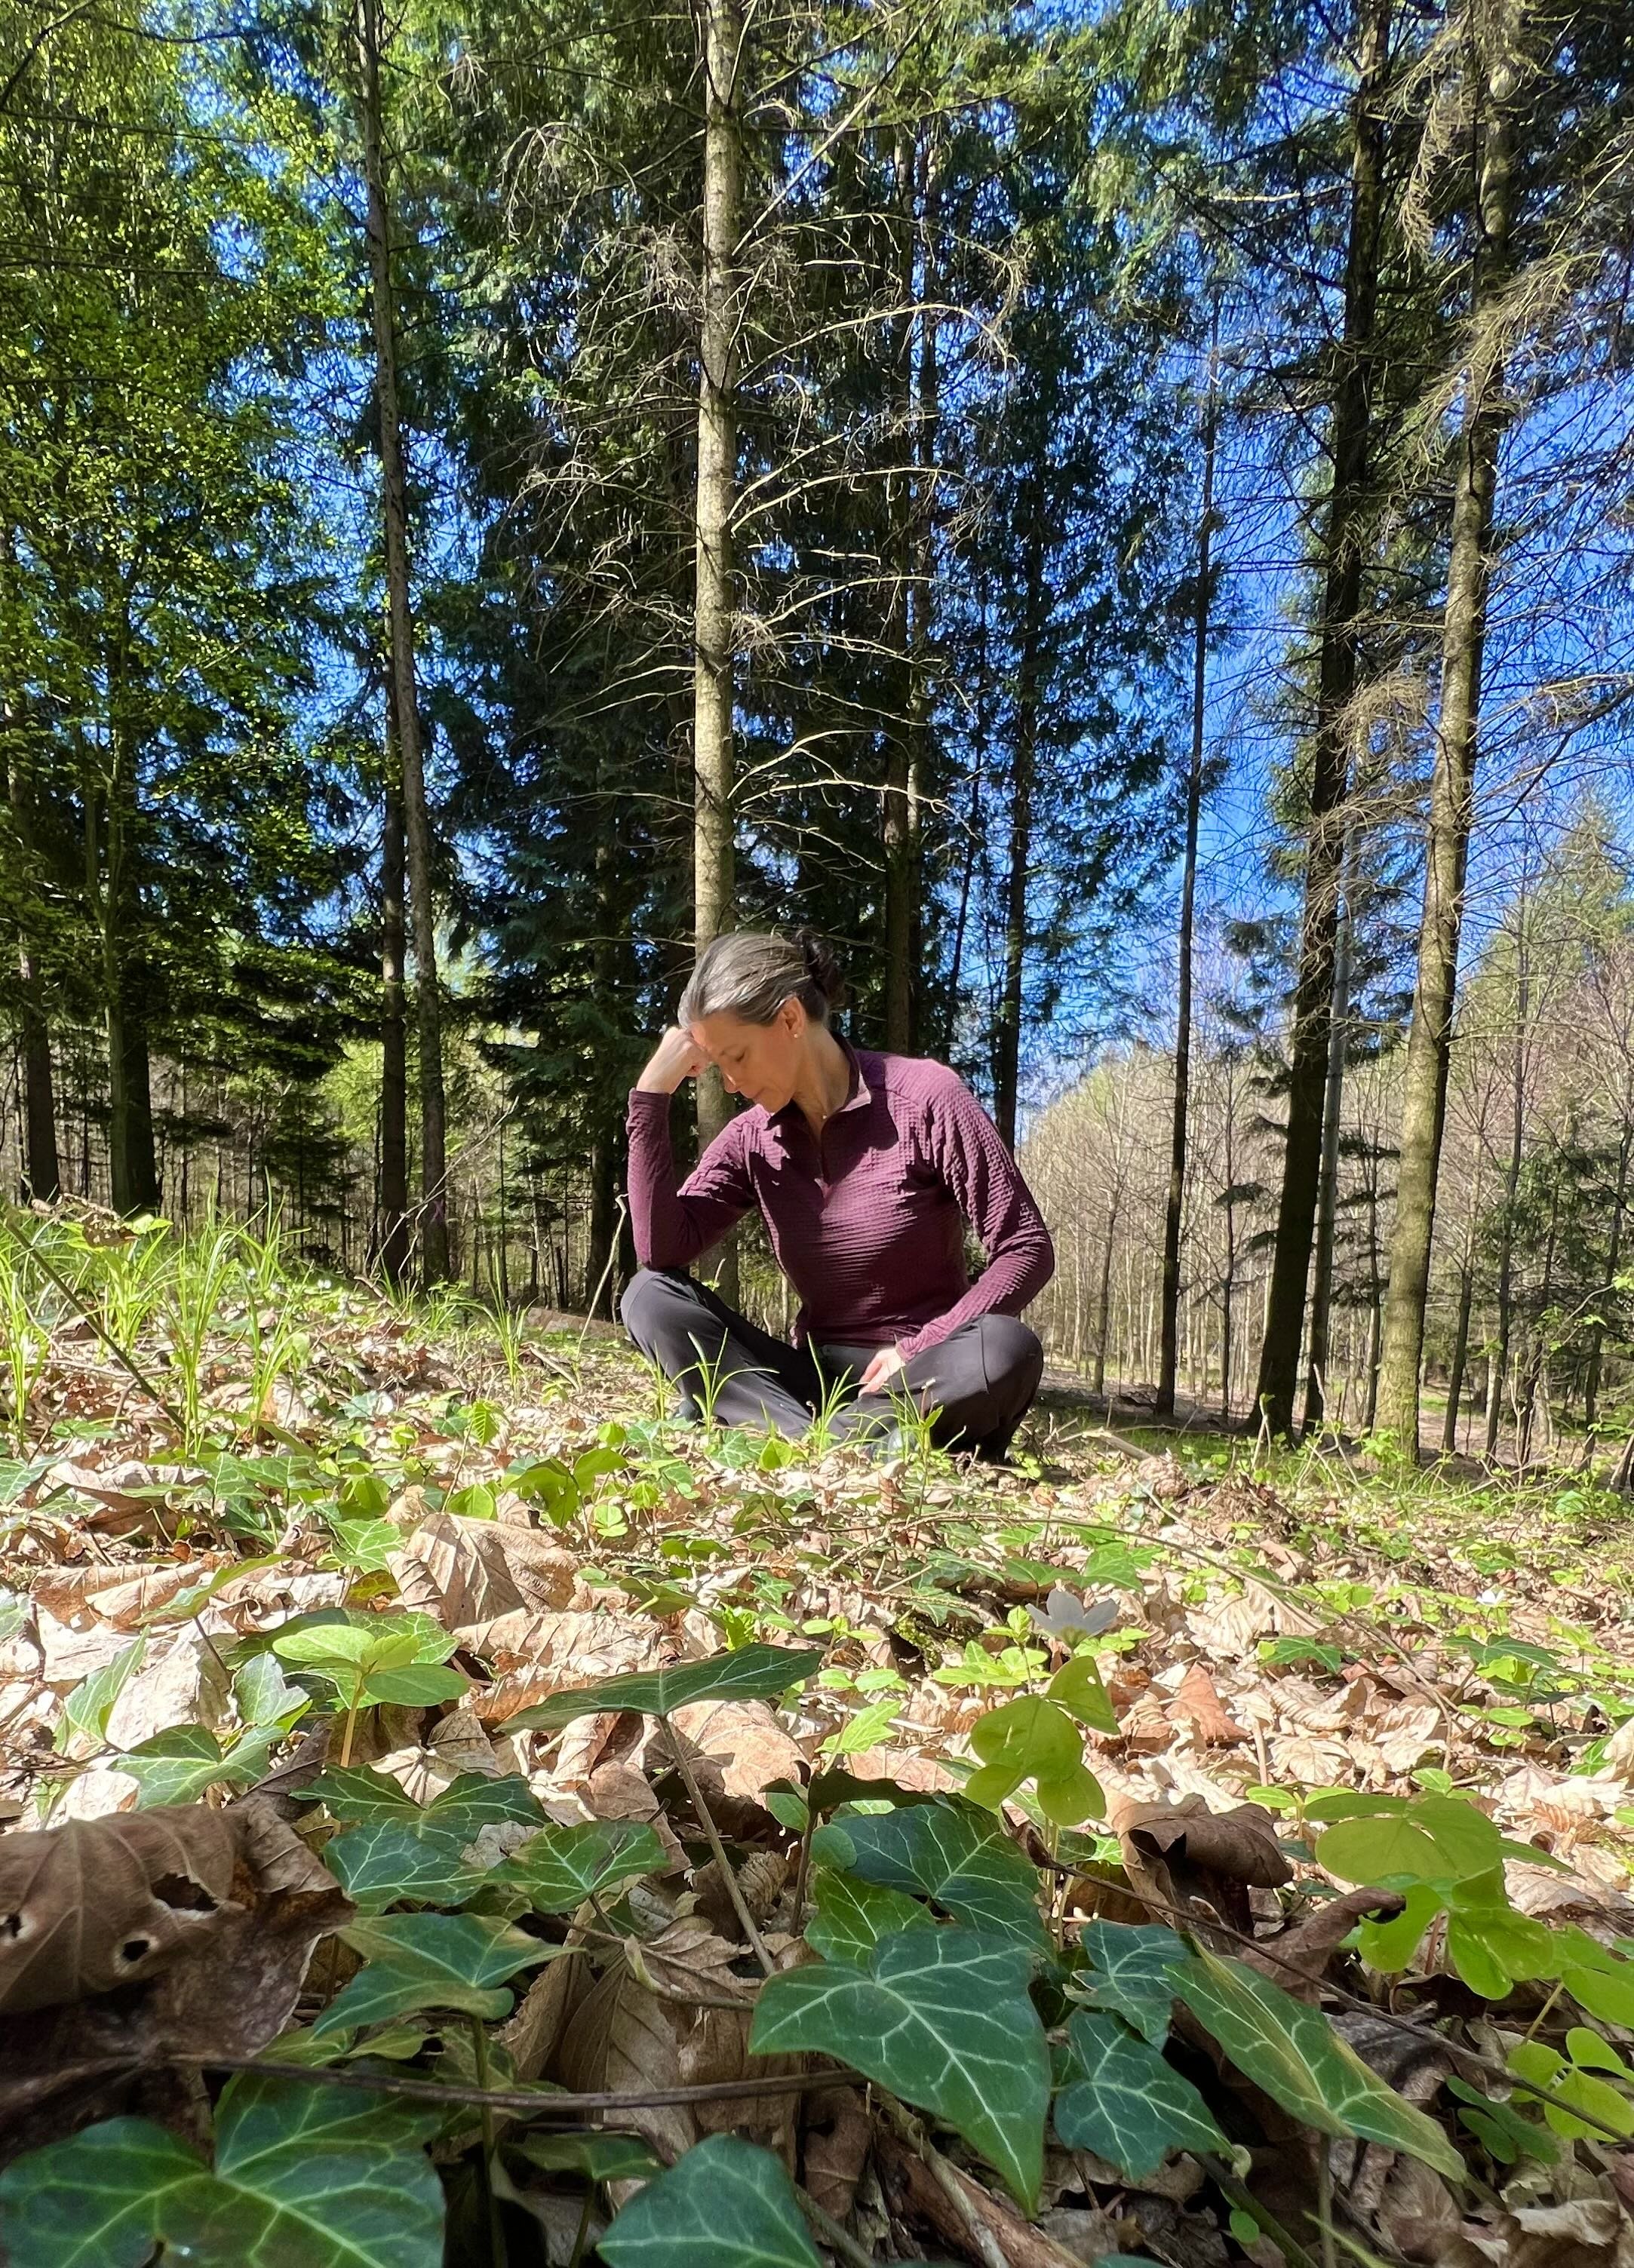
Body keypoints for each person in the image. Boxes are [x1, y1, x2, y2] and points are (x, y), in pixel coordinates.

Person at [621, 929, 1055, 1459]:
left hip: (919, 1373)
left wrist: (919, 1346)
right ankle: (814, 1440)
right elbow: (660, 1251)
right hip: (813, 1382)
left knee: (1007, 1348)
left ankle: (773, 1427)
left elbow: (1026, 1246)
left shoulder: (924, 1097)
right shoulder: (752, 1138)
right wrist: (650, 1097)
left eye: (737, 1055)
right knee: (647, 1296)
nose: (730, 1082)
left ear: (789, 1019)